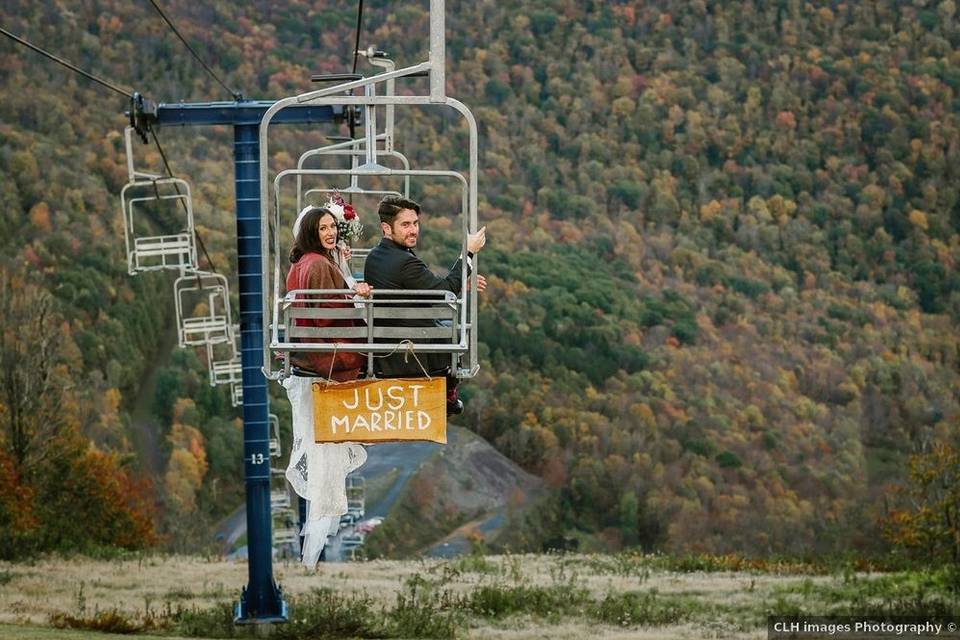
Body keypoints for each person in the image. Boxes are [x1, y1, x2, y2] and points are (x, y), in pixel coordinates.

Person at [363, 195, 486, 414]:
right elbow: (445, 291)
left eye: (415, 223)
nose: (413, 230)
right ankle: (447, 393)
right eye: (405, 224)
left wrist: (459, 284)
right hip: (408, 349)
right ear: (386, 228)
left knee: (442, 325)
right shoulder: (404, 261)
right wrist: (467, 252)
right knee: (453, 332)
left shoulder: (376, 256)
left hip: (387, 341)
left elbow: (427, 287)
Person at [287, 206, 372, 381]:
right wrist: (356, 295)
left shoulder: (305, 260)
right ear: (312, 233)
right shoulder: (318, 264)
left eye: (333, 226)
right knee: (382, 349)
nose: (330, 232)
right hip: (327, 348)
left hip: (308, 340)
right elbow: (328, 313)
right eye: (323, 228)